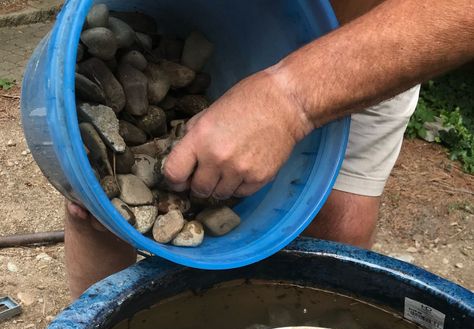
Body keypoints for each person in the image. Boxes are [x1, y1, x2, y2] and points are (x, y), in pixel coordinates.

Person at [65, 0, 474, 299]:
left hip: (371, 36)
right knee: (92, 204)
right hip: (214, 13)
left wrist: (288, 100)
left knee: (336, 226)